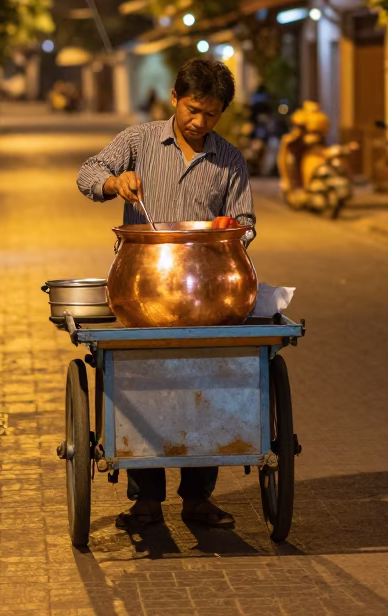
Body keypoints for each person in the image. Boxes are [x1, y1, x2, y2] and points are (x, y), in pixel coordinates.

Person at [77, 58, 255, 531]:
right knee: (143, 383)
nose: (200, 123)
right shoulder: (137, 141)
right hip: (142, 286)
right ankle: (146, 500)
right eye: (193, 109)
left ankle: (198, 497)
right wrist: (113, 182)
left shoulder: (229, 159)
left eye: (212, 115)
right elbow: (87, 172)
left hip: (206, 290)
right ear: (175, 98)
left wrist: (231, 232)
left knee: (205, 383)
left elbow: (246, 222)